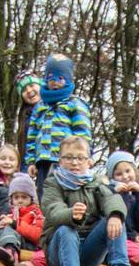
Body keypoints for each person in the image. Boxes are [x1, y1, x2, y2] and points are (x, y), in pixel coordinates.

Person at [40, 136, 130, 266]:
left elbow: (111, 198)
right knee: (66, 230)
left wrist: (115, 214)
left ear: (89, 162)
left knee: (115, 218)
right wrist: (70, 214)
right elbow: (52, 209)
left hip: (89, 250)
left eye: (80, 158)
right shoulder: (52, 183)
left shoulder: (96, 183)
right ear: (60, 161)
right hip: (60, 252)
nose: (74, 163)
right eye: (68, 158)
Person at [24, 54, 91, 185]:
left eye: (60, 78)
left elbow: (83, 133)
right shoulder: (40, 106)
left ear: (68, 80)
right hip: (43, 161)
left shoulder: (74, 103)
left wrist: (85, 156)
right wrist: (31, 161)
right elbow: (32, 135)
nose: (54, 82)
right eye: (50, 77)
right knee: (45, 191)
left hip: (68, 161)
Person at [12, 72, 41, 155]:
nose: (28, 90)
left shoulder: (57, 105)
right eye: (24, 90)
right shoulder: (25, 118)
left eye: (31, 85)